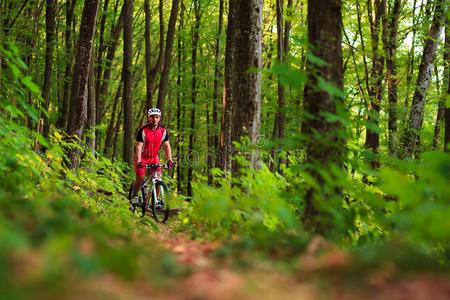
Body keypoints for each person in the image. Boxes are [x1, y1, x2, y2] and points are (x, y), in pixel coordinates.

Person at [131, 107, 174, 204]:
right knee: (140, 179)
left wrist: (169, 159)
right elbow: (138, 147)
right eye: (152, 117)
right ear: (149, 118)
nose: (155, 119)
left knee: (158, 177)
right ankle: (134, 196)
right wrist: (138, 161)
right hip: (142, 157)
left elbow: (166, 145)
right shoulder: (143, 130)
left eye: (157, 117)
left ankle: (157, 201)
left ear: (160, 118)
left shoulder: (163, 130)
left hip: (154, 157)